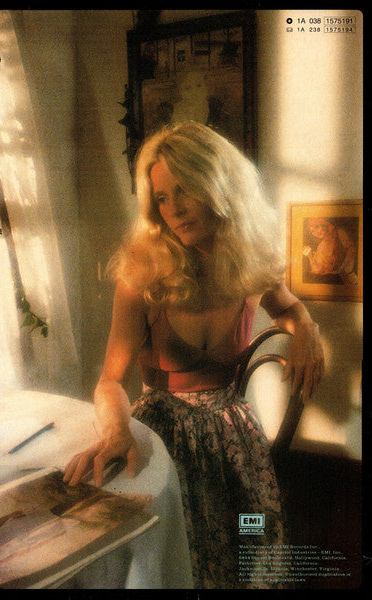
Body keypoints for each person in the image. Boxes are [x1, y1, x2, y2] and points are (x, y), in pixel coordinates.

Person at [63, 121, 325, 589]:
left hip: (235, 441)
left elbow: (287, 307)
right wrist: (118, 429)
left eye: (185, 189)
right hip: (161, 439)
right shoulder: (142, 274)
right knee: (178, 563)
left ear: (219, 184)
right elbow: (109, 381)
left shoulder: (253, 260)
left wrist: (305, 325)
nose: (174, 209)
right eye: (162, 198)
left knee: (251, 546)